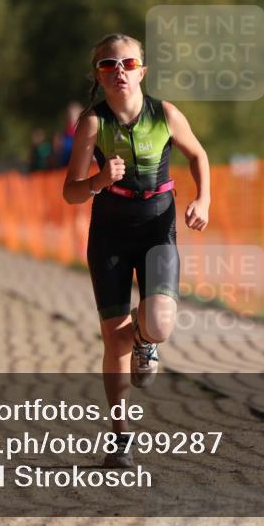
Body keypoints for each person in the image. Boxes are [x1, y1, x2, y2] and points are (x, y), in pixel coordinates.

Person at [63, 33, 210, 468]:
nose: (119, 71)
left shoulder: (164, 114)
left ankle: (147, 343)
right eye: (108, 65)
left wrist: (203, 200)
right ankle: (121, 438)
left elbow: (198, 154)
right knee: (113, 338)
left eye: (127, 63)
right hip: (109, 231)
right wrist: (97, 181)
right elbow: (71, 192)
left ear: (142, 71)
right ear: (98, 76)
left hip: (157, 226)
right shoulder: (92, 123)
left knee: (158, 323)